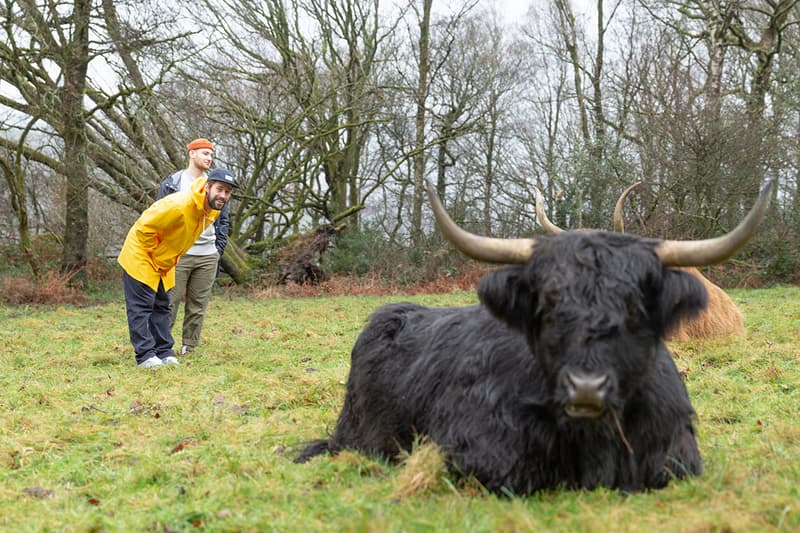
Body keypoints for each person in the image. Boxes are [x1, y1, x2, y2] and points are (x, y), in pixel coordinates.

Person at [118, 167, 238, 368]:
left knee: (162, 305)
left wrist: (166, 259)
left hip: (165, 262)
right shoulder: (181, 204)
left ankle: (164, 351)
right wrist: (156, 256)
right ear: (207, 186)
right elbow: (144, 227)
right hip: (141, 256)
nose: (223, 195)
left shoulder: (210, 211)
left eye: (227, 192)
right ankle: (145, 355)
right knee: (142, 307)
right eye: (219, 189)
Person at [156, 139, 232, 356]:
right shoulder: (173, 182)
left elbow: (223, 220)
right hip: (179, 254)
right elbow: (159, 215)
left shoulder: (216, 185)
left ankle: (190, 347)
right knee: (168, 302)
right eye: (204, 153)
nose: (209, 158)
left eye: (211, 154)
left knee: (198, 304)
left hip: (207, 254)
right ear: (191, 154)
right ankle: (161, 347)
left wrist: (218, 249)